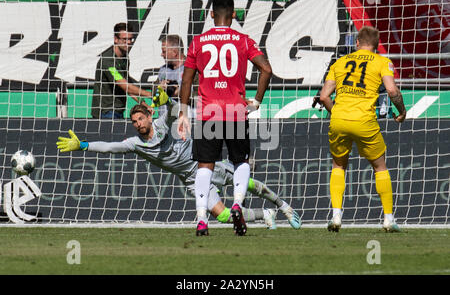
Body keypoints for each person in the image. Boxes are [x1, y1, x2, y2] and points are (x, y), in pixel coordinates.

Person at [57, 91, 301, 235]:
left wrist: (166, 101)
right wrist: (83, 145)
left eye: (141, 119)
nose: (138, 124)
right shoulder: (136, 144)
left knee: (245, 183)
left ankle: (282, 205)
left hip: (205, 163)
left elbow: (176, 110)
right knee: (223, 215)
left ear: (149, 117)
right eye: (134, 122)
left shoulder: (163, 123)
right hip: (191, 179)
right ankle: (265, 214)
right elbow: (111, 147)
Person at [177, 0, 272, 236]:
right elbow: (266, 69)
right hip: (236, 111)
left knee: (204, 166)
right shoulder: (243, 40)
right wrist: (257, 101)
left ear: (211, 14)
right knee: (240, 161)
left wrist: (183, 112)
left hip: (208, 112)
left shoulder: (198, 42)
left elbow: (187, 79)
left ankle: (201, 219)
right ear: (233, 15)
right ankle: (237, 205)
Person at [318, 26, 407, 233]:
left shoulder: (339, 62)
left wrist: (337, 113)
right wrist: (402, 111)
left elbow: (323, 96)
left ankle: (336, 216)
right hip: (365, 120)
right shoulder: (383, 62)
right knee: (379, 167)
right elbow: (392, 90)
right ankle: (388, 219)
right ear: (376, 46)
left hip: (339, 119)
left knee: (338, 166)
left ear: (357, 43)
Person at [91, 22, 153, 119]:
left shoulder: (125, 57)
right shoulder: (108, 60)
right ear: (116, 39)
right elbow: (124, 85)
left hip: (118, 110)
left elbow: (128, 84)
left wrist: (143, 104)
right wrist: (150, 94)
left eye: (130, 39)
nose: (128, 42)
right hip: (106, 112)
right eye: (125, 39)